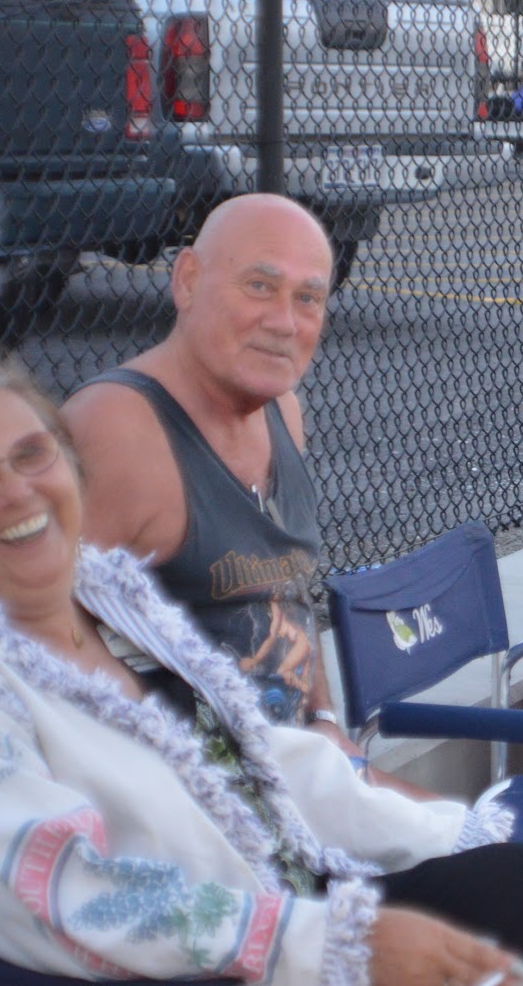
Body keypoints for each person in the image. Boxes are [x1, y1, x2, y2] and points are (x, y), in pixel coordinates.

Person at [0, 358, 523, 986]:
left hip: (267, 917)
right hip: (167, 964)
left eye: (32, 454)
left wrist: (451, 832)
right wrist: (336, 942)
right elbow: (60, 892)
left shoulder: (102, 595)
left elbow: (261, 758)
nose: (16, 491)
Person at [62, 195, 352, 751]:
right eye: (259, 287)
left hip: (293, 776)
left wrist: (326, 723)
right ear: (188, 281)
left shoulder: (282, 411)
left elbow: (288, 600)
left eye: (309, 297)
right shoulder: (118, 429)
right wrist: (183, 763)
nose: (284, 322)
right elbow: (43, 627)